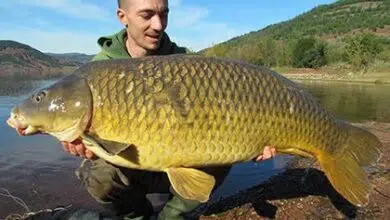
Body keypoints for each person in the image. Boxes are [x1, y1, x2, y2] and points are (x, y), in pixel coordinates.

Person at [61, 0, 277, 219]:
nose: (158, 25)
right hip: (130, 165)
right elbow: (71, 121)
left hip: (181, 161)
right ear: (122, 16)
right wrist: (74, 138)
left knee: (222, 151)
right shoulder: (96, 72)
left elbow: (229, 112)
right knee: (97, 176)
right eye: (147, 15)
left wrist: (255, 138)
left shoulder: (187, 64)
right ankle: (137, 216)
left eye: (164, 15)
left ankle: (173, 215)